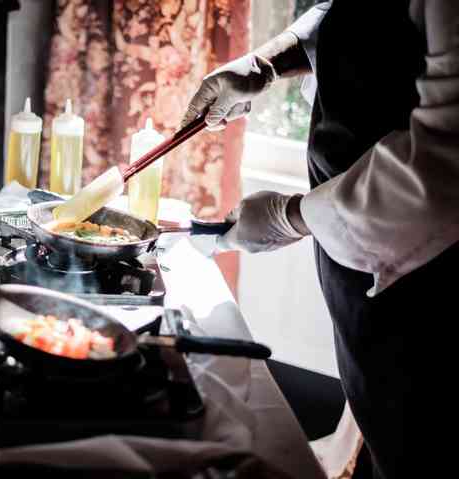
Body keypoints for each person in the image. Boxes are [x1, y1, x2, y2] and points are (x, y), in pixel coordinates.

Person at [180, 1, 458, 478]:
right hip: (357, 265)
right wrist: (265, 62)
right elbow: (356, 16)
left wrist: (291, 218)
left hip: (431, 292)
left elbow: (442, 167)